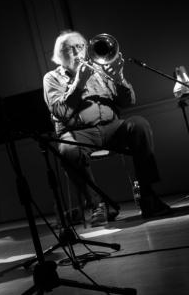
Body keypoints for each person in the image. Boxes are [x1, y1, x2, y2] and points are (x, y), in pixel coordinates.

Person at [43, 30, 172, 227]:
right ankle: (97, 204)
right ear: (60, 54)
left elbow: (128, 101)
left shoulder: (99, 70)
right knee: (68, 149)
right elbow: (60, 111)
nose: (78, 52)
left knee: (139, 125)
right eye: (72, 48)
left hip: (112, 127)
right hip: (79, 132)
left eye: (81, 46)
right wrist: (79, 82)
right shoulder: (52, 78)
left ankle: (148, 197)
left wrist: (119, 78)